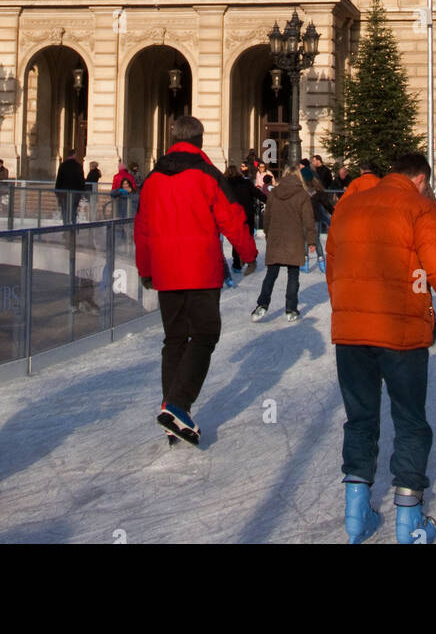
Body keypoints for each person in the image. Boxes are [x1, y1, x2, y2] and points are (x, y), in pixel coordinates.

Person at [326, 151, 436, 544]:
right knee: (410, 420)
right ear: (422, 180)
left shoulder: (350, 204)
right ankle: (408, 519)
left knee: (360, 419)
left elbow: (333, 261)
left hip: (351, 331)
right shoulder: (420, 207)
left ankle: (356, 515)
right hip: (401, 332)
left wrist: (344, 309)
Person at [134, 115, 257, 445]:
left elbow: (142, 229)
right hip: (201, 271)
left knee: (175, 340)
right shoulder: (207, 175)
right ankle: (176, 404)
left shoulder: (153, 177)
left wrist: (145, 269)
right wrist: (249, 253)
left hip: (165, 271)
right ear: (200, 141)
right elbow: (232, 217)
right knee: (204, 334)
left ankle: (170, 412)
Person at [252, 166, 317, 321]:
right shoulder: (302, 195)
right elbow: (309, 219)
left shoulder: (274, 193)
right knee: (293, 275)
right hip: (294, 239)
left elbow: (267, 216)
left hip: (276, 238)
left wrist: (268, 233)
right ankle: (291, 308)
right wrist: (311, 240)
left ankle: (262, 304)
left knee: (271, 274)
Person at [224, 164, 265, 272]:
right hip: (247, 214)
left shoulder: (225, 185)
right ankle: (251, 260)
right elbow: (258, 194)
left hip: (233, 216)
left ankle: (237, 263)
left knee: (236, 240)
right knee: (249, 238)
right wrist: (269, 200)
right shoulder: (246, 183)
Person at [55, 148, 86, 225]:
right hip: (75, 192)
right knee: (73, 210)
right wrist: (82, 191)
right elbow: (81, 180)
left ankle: (65, 226)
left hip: (64, 191)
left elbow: (59, 179)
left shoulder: (62, 165)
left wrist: (57, 191)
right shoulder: (78, 166)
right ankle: (72, 228)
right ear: (74, 155)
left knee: (64, 210)